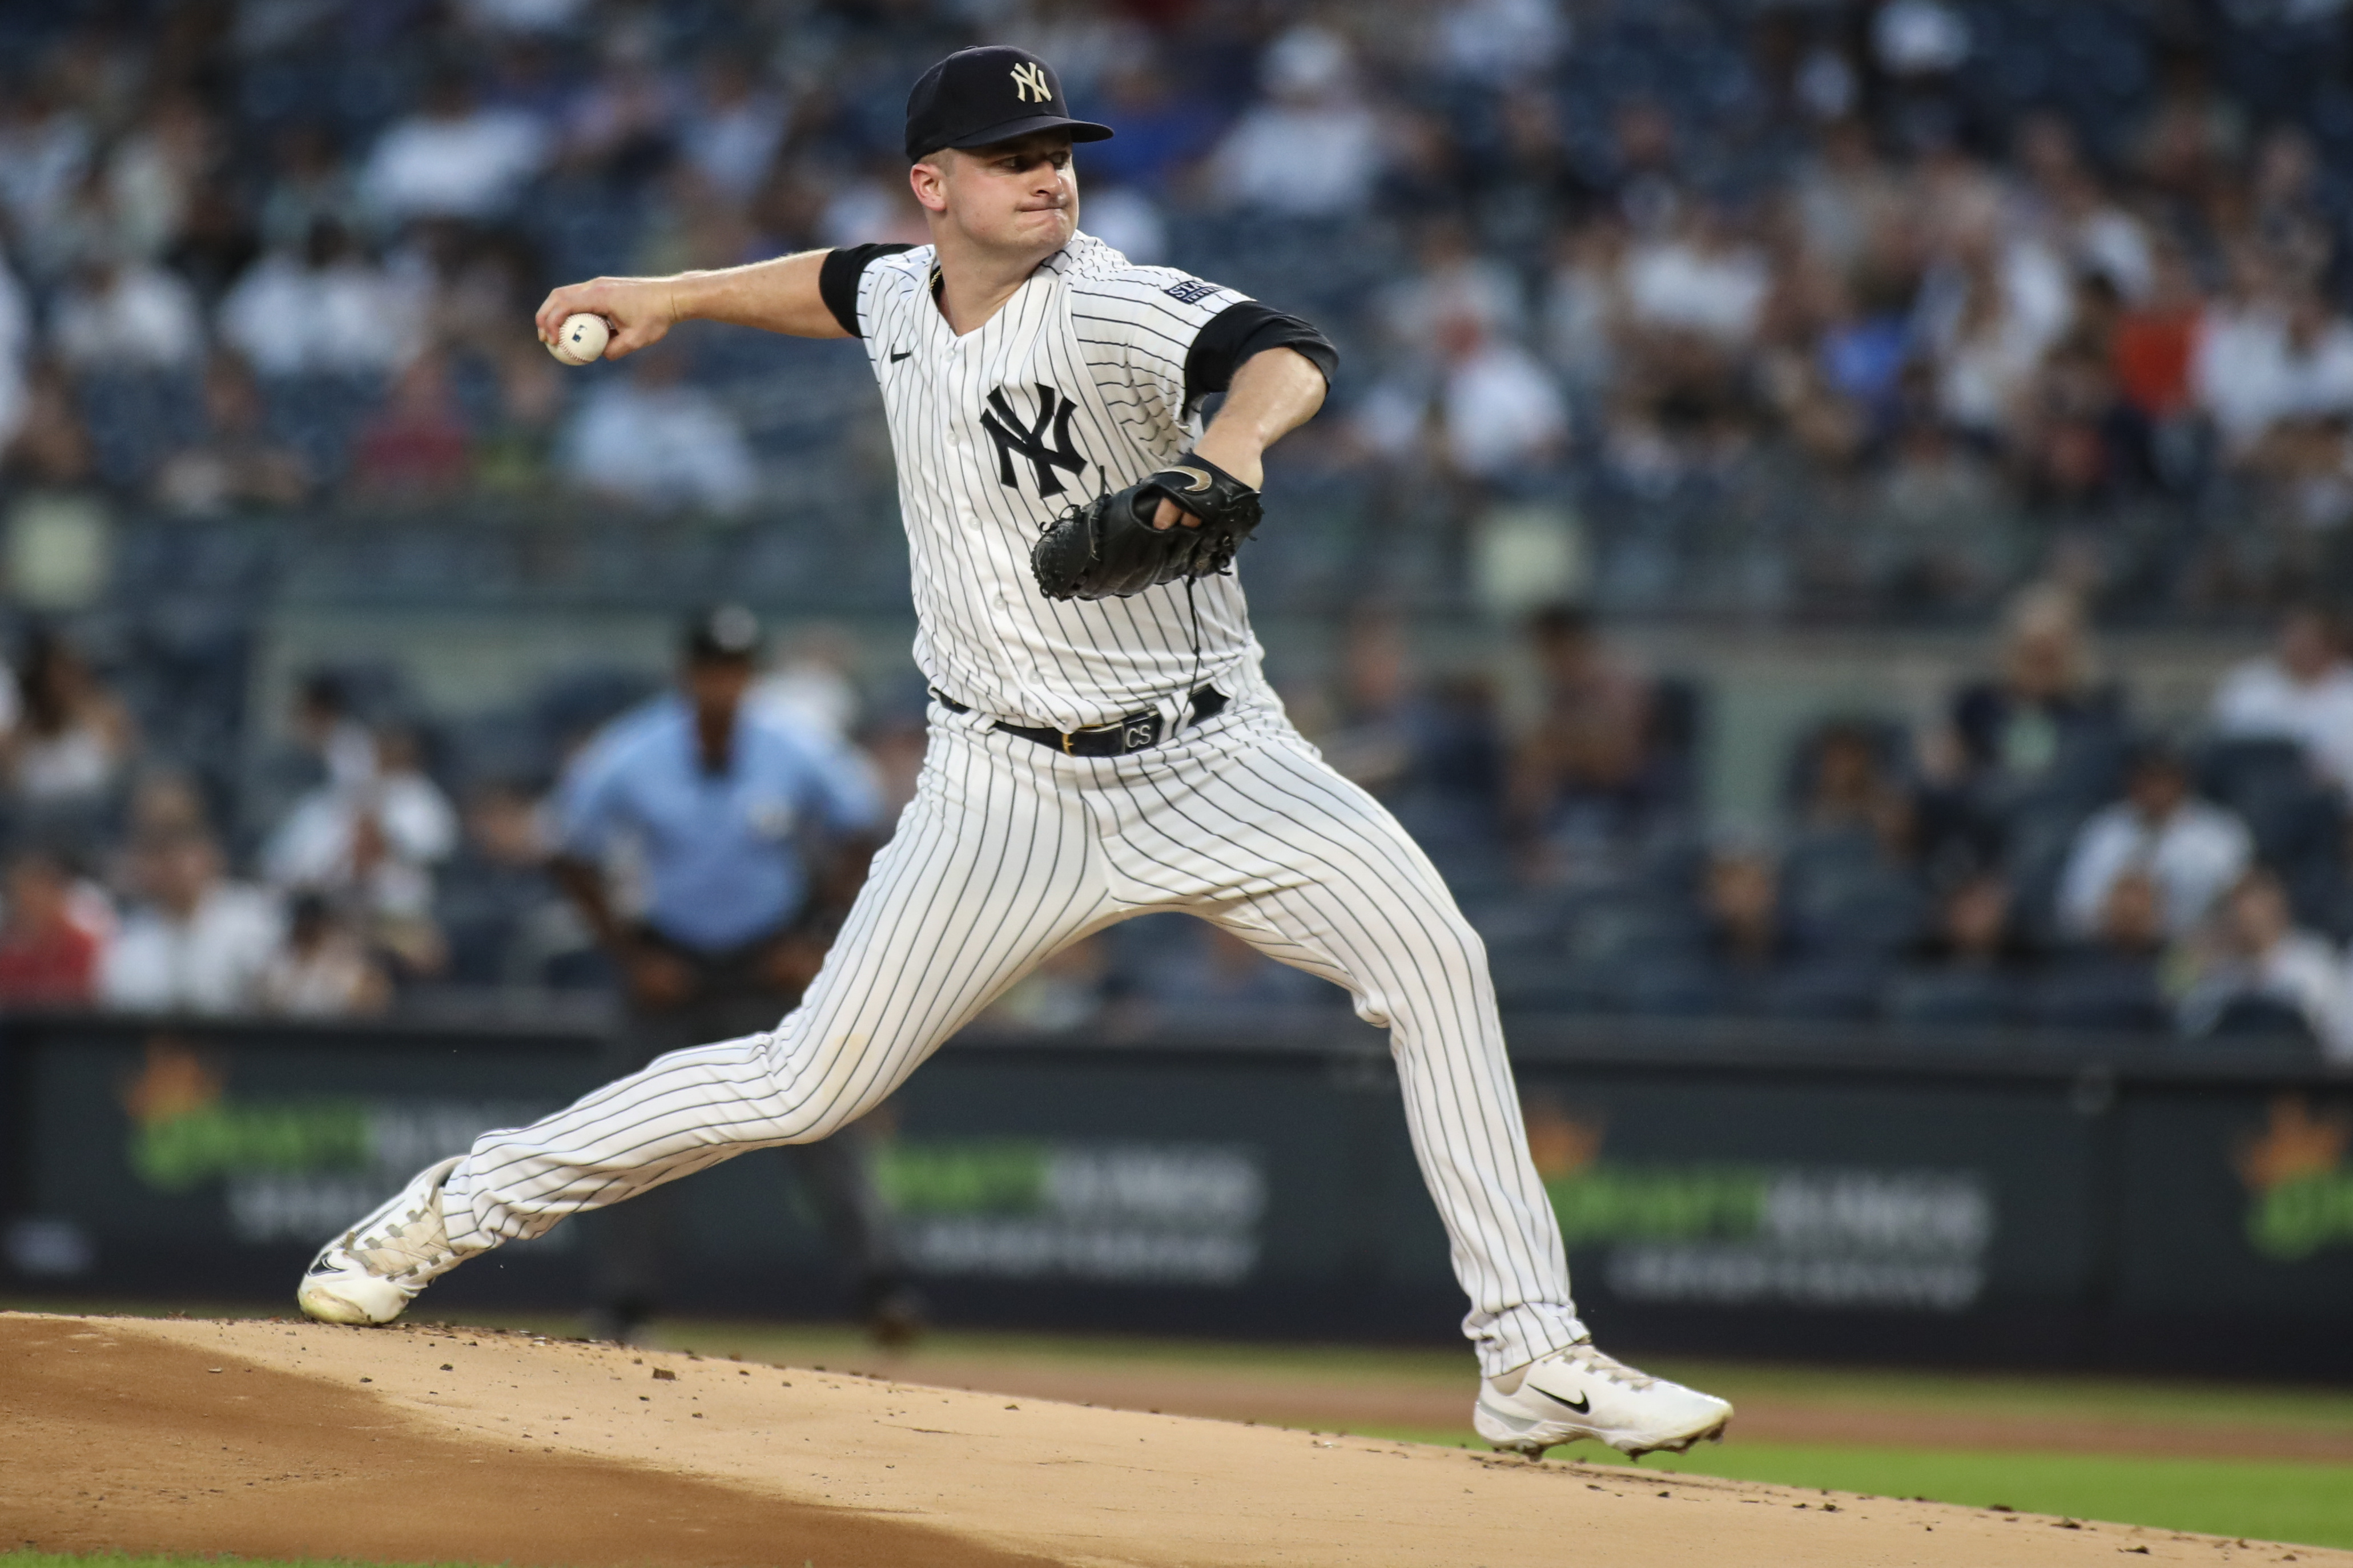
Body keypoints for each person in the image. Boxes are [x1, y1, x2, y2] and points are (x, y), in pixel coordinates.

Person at [297, 45, 1731, 1462]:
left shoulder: (1104, 303)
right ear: (934, 185)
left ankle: (1529, 1355)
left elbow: (1281, 352)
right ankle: (453, 1204)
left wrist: (1229, 448)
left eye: (1059, 153)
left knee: (1437, 962)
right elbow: (830, 282)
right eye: (1013, 157)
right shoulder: (903, 297)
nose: (1051, 176)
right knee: (807, 1083)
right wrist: (664, 294)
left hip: (1217, 756)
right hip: (1002, 787)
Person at [545, 605, 913, 1345]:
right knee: (635, 1130)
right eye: (711, 668)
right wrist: (631, 955)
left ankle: (882, 1286)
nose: (723, 683)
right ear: (687, 673)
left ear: (752, 674)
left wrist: (814, 935)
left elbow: (861, 825)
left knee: (825, 1119)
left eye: (736, 669)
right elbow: (568, 847)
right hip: (670, 961)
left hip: (768, 959)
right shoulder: (634, 747)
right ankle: (623, 1302)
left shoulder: (792, 742)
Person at [2056, 741, 2253, 944]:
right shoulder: (2105, 829)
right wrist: (2123, 910)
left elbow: (2246, 906)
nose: (2156, 789)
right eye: (2148, 778)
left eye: (2164, 778)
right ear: (2132, 781)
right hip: (2109, 949)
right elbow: (2072, 910)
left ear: (2183, 780)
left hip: (2198, 951)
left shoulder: (2219, 834)